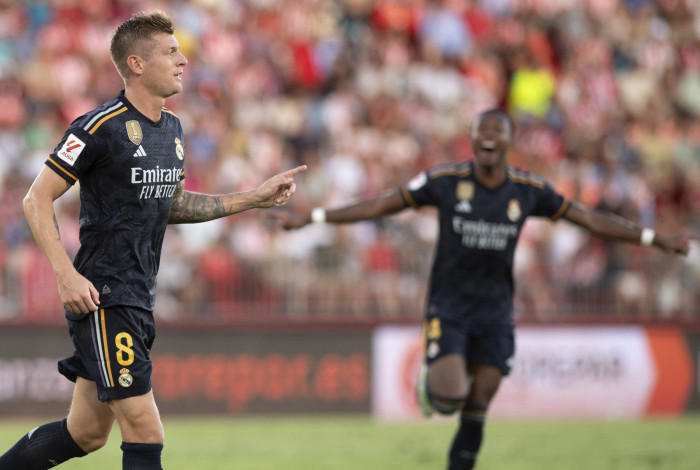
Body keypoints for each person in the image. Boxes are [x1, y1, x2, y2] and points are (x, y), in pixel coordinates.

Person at [274, 108, 695, 470]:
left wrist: (654, 239)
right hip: (449, 307)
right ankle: (431, 384)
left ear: (508, 141)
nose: (489, 137)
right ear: (473, 140)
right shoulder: (445, 181)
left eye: (497, 131)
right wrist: (314, 217)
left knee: (479, 402)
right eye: (482, 131)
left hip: (496, 312)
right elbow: (383, 203)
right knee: (450, 398)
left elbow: (587, 218)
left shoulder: (527, 191)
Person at [0, 10, 305, 470]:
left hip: (139, 297)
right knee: (146, 430)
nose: (183, 60)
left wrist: (253, 198)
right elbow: (35, 198)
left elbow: (172, 204)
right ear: (137, 63)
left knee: (85, 433)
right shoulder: (97, 127)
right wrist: (65, 275)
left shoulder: (173, 129)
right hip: (104, 297)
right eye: (171, 52)